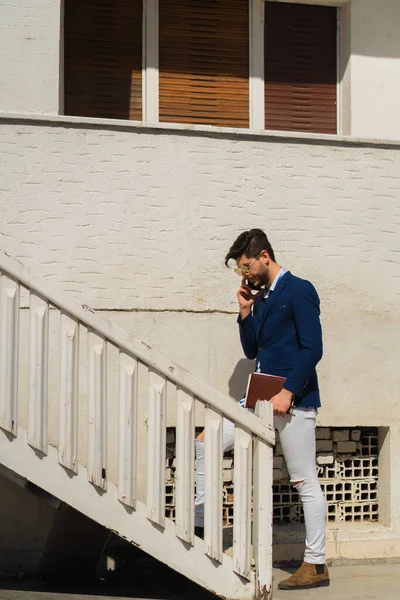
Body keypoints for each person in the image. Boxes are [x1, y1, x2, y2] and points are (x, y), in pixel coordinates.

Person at [194, 228, 329, 591]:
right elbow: (253, 350)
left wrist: (288, 391)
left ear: (264, 256)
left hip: (293, 399)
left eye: (245, 266)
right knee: (206, 441)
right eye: (240, 270)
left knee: (303, 480)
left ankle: (316, 564)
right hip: (258, 396)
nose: (245, 274)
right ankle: (201, 526)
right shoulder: (264, 297)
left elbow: (312, 349)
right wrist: (244, 312)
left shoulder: (299, 289)